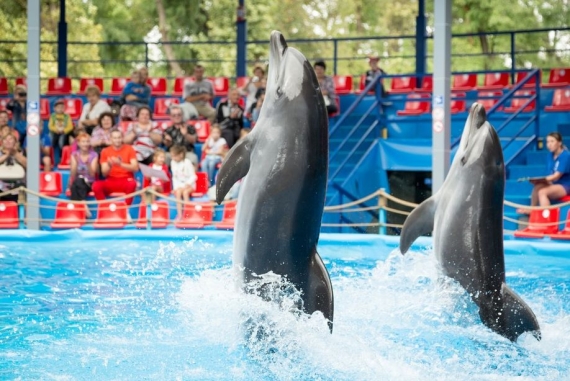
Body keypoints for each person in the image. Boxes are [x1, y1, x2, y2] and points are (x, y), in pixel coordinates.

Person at [518, 132, 570, 214]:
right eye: (548, 142)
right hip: (554, 183)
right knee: (537, 187)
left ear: (559, 143)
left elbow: (557, 176)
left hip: (565, 185)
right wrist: (539, 181)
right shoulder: (550, 155)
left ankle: (546, 217)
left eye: (552, 141)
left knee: (543, 192)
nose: (549, 144)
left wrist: (544, 179)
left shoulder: (566, 155)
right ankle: (532, 209)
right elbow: (549, 174)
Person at [92, 129, 139, 207]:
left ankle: (125, 210)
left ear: (122, 138)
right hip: (111, 180)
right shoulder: (105, 151)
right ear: (111, 139)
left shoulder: (129, 149)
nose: (117, 140)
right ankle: (105, 209)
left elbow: (135, 168)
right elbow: (104, 173)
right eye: (115, 138)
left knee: (132, 183)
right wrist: (110, 165)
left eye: (119, 137)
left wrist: (120, 164)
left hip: (126, 179)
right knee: (96, 185)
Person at [68, 132, 98, 217]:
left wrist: (88, 164)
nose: (85, 144)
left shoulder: (94, 155)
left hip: (90, 183)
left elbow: (92, 174)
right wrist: (76, 163)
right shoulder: (74, 155)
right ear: (78, 143)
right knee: (77, 182)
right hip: (78, 183)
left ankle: (76, 212)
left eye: (87, 141)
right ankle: (83, 206)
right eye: (83, 141)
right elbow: (73, 174)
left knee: (76, 184)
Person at [170, 144, 197, 220]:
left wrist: (187, 184)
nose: (173, 158)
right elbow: (174, 177)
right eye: (172, 156)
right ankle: (180, 215)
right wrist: (176, 188)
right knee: (178, 193)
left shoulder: (187, 162)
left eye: (174, 156)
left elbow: (193, 176)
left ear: (181, 155)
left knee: (185, 193)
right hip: (180, 185)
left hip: (190, 185)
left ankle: (188, 214)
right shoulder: (173, 162)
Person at [0, 133, 27, 202]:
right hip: (2, 187)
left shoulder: (21, 152)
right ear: (2, 142)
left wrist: (15, 153)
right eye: (5, 139)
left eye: (10, 139)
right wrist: (7, 155)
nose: (8, 141)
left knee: (23, 188)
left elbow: (28, 165)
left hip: (18, 185)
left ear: (15, 142)